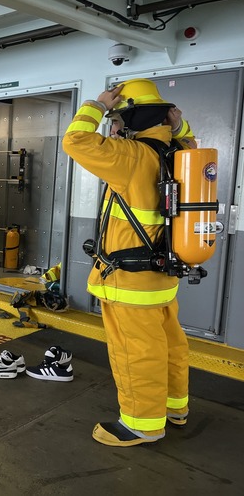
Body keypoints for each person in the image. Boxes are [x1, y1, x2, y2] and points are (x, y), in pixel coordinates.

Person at [62, 78, 196, 447]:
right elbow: (190, 139)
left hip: (130, 280)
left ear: (135, 118)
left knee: (136, 350)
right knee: (169, 343)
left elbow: (74, 140)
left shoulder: (132, 156)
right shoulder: (177, 152)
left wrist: (98, 104)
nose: (115, 128)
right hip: (162, 276)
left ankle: (142, 424)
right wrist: (178, 124)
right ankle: (175, 408)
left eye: (120, 120)